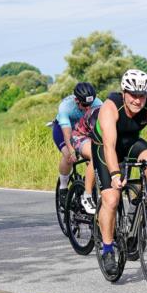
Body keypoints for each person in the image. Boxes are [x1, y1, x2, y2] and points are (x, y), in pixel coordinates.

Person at [89, 69, 147, 274]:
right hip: (105, 147)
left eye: (142, 96)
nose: (138, 101)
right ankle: (107, 249)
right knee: (111, 200)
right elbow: (109, 145)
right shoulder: (110, 107)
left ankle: (135, 208)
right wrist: (115, 174)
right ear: (124, 92)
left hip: (130, 143)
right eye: (133, 95)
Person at [51, 82, 102, 214]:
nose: (87, 109)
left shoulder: (98, 104)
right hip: (64, 130)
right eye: (84, 105)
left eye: (89, 105)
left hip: (85, 129)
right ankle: (63, 188)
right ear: (76, 100)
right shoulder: (65, 107)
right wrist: (72, 149)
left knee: (94, 155)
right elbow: (67, 133)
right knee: (68, 155)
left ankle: (89, 184)